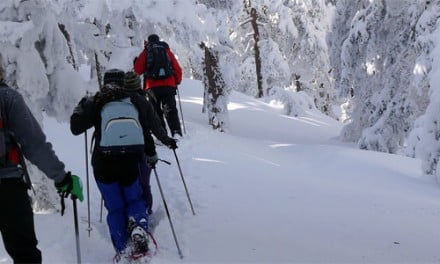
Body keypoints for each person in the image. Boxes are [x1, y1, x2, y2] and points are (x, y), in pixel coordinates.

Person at [70, 69, 177, 260]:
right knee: (134, 199)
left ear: (105, 83)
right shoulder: (135, 99)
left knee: (115, 206)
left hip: (103, 162)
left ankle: (123, 248)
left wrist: (80, 107)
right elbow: (147, 129)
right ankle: (138, 228)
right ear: (123, 83)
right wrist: (156, 148)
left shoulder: (96, 101)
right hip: (130, 160)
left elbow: (76, 128)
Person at [0, 67, 83, 263]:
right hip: (7, 188)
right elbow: (35, 145)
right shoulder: (7, 98)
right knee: (25, 255)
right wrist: (62, 178)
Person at [134, 34, 183, 137]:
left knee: (155, 112)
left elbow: (138, 70)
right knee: (170, 109)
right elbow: (177, 68)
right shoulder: (166, 50)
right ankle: (176, 132)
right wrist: (176, 81)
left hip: (152, 87)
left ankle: (162, 135)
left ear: (148, 41)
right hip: (168, 85)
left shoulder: (146, 51)